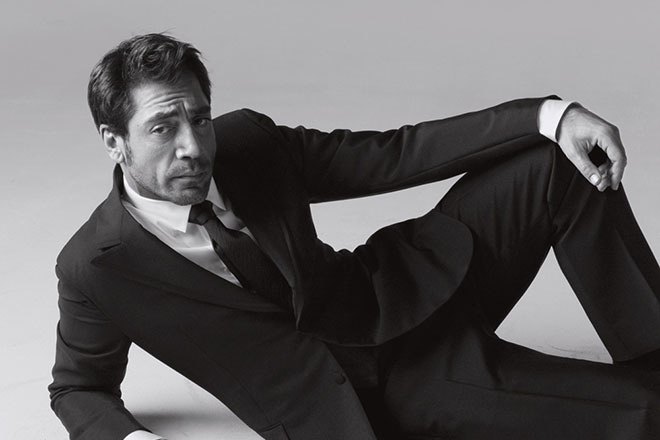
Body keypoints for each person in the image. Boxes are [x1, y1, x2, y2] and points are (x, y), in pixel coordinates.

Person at [49, 33, 660, 440]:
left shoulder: (248, 143)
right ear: (114, 141)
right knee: (640, 414)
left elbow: (393, 154)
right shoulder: (96, 266)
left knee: (561, 160)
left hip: (405, 286)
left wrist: (549, 115)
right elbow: (78, 387)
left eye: (200, 119)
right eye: (163, 128)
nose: (193, 146)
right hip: (382, 384)